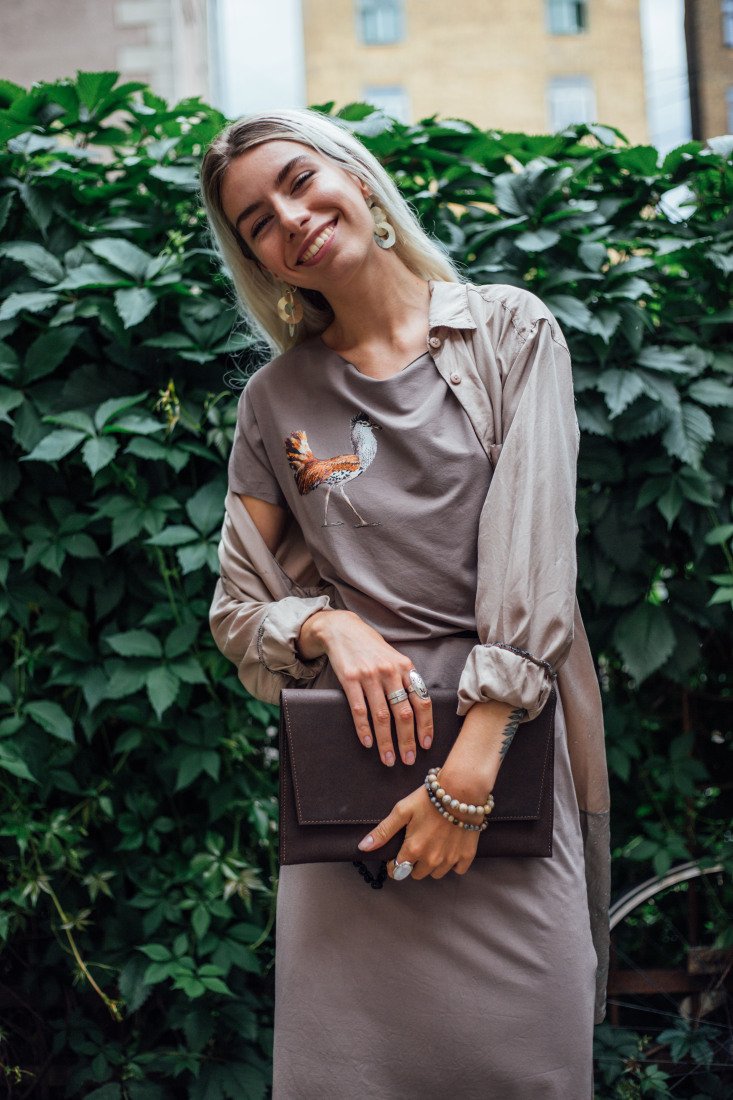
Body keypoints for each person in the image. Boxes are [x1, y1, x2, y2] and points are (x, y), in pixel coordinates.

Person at [200, 107, 610, 1099]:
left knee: (531, 1068)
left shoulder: (510, 330)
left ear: (356, 176)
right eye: (257, 219)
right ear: (258, 258)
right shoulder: (275, 401)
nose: (288, 217)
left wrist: (466, 778)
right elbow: (237, 609)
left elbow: (532, 564)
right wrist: (326, 623)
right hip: (357, 801)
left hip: (502, 759)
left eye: (299, 180)